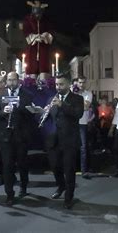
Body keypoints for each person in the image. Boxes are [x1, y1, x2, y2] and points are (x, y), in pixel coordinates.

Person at [0, 71, 33, 206]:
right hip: (6, 137)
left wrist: (19, 106)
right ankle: (9, 193)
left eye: (13, 80)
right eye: (9, 80)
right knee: (7, 165)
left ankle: (24, 187)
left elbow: (30, 113)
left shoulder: (26, 95)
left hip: (21, 136)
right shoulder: (2, 95)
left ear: (18, 81)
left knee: (22, 163)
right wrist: (3, 112)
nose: (11, 83)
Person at [43, 74, 83, 209]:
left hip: (69, 140)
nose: (58, 87)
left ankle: (68, 198)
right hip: (54, 140)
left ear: (68, 84)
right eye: (56, 84)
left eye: (61, 84)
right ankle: (61, 186)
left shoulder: (77, 99)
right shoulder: (51, 99)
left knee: (69, 170)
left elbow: (78, 114)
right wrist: (41, 113)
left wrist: (62, 105)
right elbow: (49, 118)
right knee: (55, 166)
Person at [75, 76, 93, 179]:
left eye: (83, 83)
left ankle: (83, 170)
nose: (81, 84)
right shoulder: (73, 93)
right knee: (71, 146)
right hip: (73, 122)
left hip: (82, 123)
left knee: (83, 147)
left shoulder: (88, 94)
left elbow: (86, 106)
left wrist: (77, 98)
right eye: (80, 82)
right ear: (77, 83)